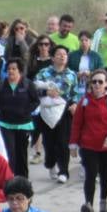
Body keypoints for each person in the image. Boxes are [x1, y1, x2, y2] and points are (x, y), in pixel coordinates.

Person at [68, 71, 107, 212]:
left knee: (105, 173)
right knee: (90, 174)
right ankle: (88, 204)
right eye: (94, 82)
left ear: (106, 84)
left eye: (100, 82)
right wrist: (73, 144)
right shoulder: (84, 102)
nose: (97, 85)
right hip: (88, 145)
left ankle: (103, 200)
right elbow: (77, 124)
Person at [34, 46, 80, 183]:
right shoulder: (43, 73)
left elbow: (75, 93)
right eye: (59, 54)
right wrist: (45, 92)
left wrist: (74, 104)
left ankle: (63, 171)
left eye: (65, 54)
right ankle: (50, 163)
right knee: (49, 142)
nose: (62, 57)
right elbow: (33, 90)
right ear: (52, 57)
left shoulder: (71, 75)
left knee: (63, 141)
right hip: (47, 111)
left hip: (64, 112)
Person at [0, 60, 38, 179]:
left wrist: (26, 110)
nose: (11, 71)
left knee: (21, 153)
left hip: (23, 124)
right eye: (9, 69)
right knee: (9, 151)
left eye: (14, 69)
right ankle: (9, 177)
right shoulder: (1, 85)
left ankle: (23, 179)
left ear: (20, 71)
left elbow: (36, 101)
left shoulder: (28, 84)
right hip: (5, 124)